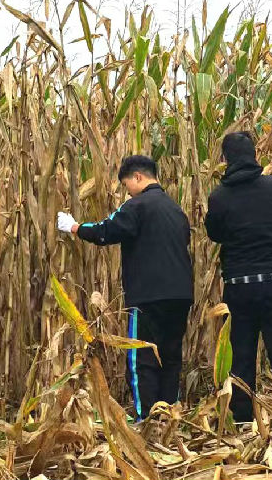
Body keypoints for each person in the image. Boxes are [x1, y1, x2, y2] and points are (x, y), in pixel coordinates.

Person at [56, 155, 193, 421]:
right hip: (180, 295)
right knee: (170, 356)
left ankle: (146, 420)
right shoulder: (176, 209)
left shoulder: (137, 205)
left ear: (138, 177)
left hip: (147, 296)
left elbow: (106, 231)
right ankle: (169, 417)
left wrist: (74, 227)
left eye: (126, 183)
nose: (126, 190)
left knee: (141, 356)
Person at [204, 131, 272, 422]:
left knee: (240, 355)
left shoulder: (219, 196)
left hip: (239, 288)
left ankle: (241, 418)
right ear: (253, 156)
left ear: (225, 160)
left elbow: (214, 233)